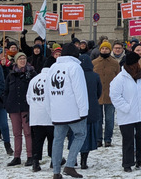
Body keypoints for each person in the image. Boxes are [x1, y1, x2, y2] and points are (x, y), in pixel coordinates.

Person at [48, 43, 89, 179]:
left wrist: (50, 111)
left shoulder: (53, 67)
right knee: (80, 134)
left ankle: (56, 172)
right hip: (73, 111)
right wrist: (84, 111)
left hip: (57, 112)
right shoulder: (75, 67)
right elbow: (80, 91)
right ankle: (70, 165)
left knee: (58, 140)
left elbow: (48, 92)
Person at [110, 51, 141, 172]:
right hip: (127, 115)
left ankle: (139, 159)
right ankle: (127, 163)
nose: (138, 65)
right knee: (128, 140)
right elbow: (115, 96)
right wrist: (126, 107)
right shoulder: (120, 79)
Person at [3, 52, 35, 166]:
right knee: (17, 133)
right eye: (20, 59)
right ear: (16, 61)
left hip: (26, 107)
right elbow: (5, 91)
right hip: (13, 107)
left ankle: (30, 156)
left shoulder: (31, 73)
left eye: (24, 58)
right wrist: (7, 104)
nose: (22, 60)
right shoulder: (11, 75)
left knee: (28, 132)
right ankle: (17, 156)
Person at [26, 60, 53, 172]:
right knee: (53, 139)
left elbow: (28, 98)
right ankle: (54, 160)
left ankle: (35, 162)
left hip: (36, 116)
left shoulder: (33, 80)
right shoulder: (51, 79)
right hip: (50, 116)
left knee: (37, 140)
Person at [92, 40, 120, 148]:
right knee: (98, 119)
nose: (104, 50)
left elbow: (118, 78)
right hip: (97, 95)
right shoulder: (94, 63)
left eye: (107, 49)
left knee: (109, 119)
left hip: (110, 95)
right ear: (100, 50)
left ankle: (108, 139)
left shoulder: (115, 63)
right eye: (103, 48)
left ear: (110, 50)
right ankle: (98, 139)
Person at [78, 54, 102, 170]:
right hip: (91, 109)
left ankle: (75, 158)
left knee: (77, 135)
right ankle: (84, 160)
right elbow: (99, 92)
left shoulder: (76, 76)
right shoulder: (95, 76)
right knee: (87, 136)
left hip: (77, 111)